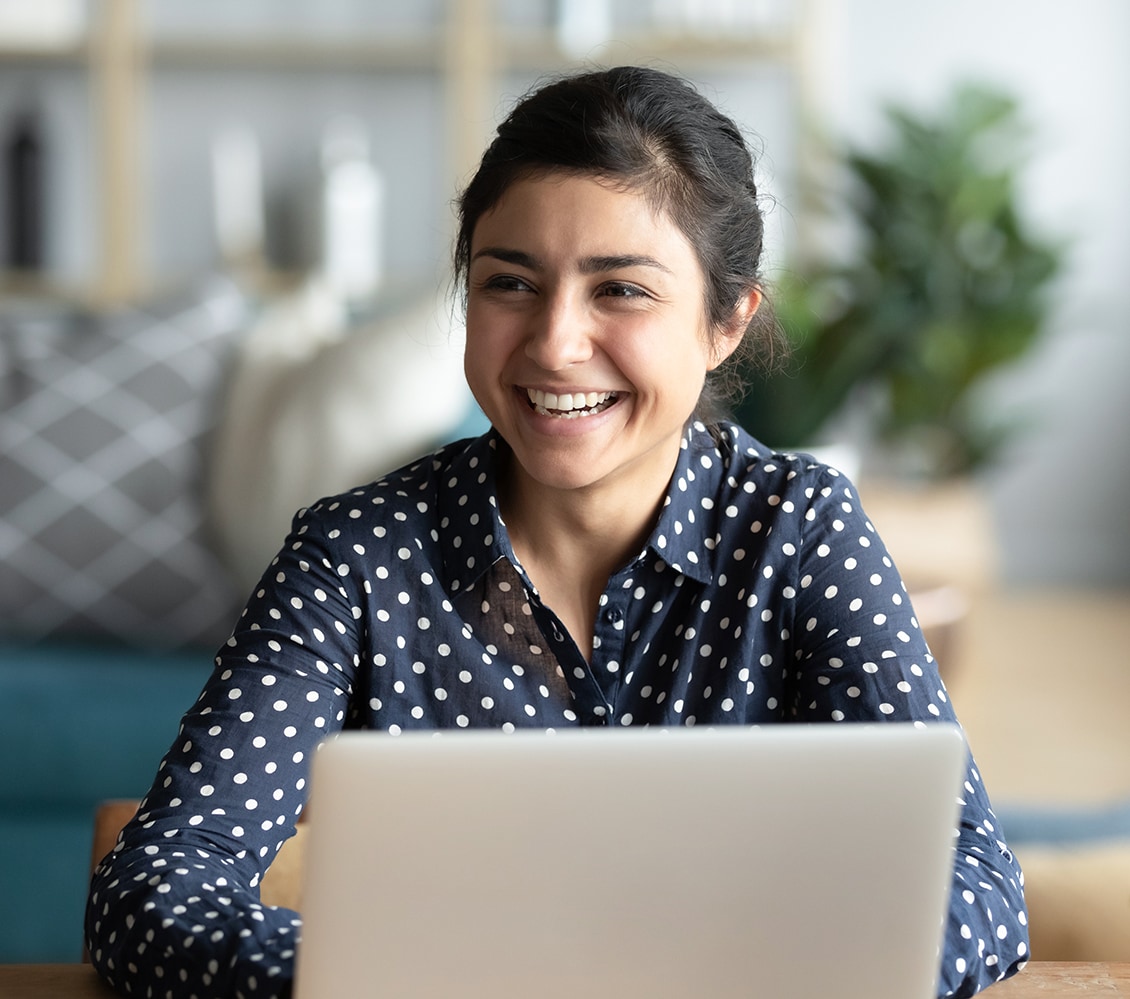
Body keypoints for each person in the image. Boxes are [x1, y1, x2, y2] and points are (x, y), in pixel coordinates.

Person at [86, 66, 1027, 999]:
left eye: (619, 290)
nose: (552, 343)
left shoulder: (802, 531)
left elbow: (977, 885)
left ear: (725, 321)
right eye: (510, 283)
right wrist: (401, 978)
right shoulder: (355, 556)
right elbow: (151, 891)